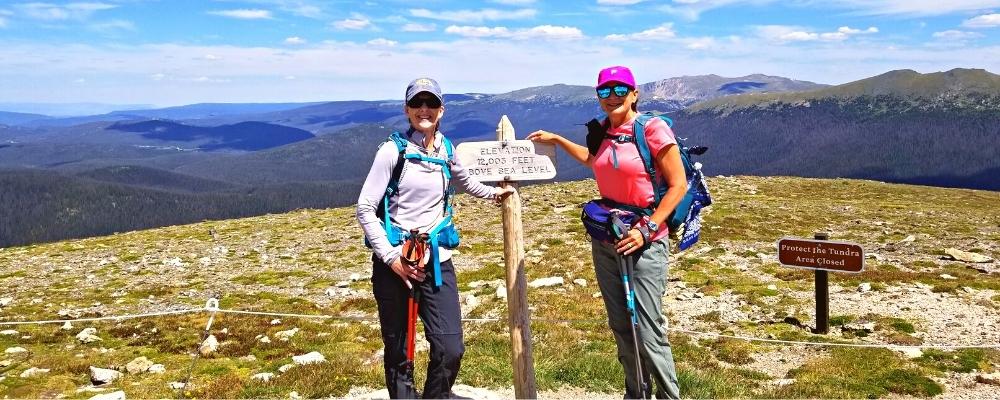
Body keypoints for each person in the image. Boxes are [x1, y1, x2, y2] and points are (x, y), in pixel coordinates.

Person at [527, 66, 686, 399]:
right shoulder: (601, 130)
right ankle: (635, 392)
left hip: (645, 241)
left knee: (647, 330)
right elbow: (593, 159)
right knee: (621, 326)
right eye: (604, 91)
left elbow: (678, 185)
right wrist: (557, 139)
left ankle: (669, 395)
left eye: (619, 90)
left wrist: (649, 228)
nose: (612, 97)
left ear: (634, 93)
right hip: (607, 238)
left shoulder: (652, 130)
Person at [357, 77, 513, 399]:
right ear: (407, 110)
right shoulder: (392, 151)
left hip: (436, 259)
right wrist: (392, 259)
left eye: (430, 103)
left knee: (450, 346)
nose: (423, 109)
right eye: (417, 104)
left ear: (441, 110)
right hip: (395, 262)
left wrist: (496, 195)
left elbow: (466, 182)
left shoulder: (447, 148)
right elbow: (365, 208)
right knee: (399, 350)